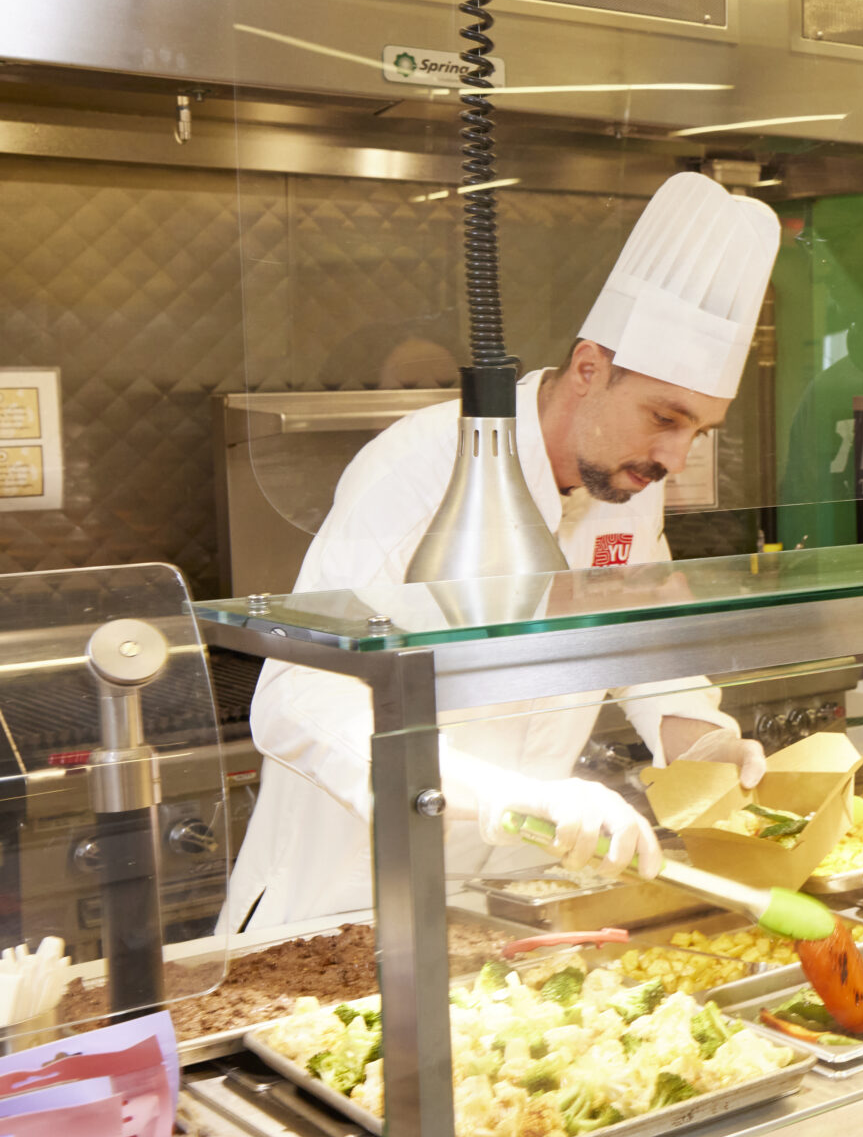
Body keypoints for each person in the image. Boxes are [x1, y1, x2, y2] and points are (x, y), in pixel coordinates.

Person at [221, 173, 783, 932]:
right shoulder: (422, 468)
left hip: (506, 906)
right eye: (664, 418)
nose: (674, 459)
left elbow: (635, 636)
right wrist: (504, 796)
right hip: (348, 900)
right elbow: (298, 700)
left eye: (698, 432)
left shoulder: (628, 480)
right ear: (589, 370)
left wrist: (702, 740)